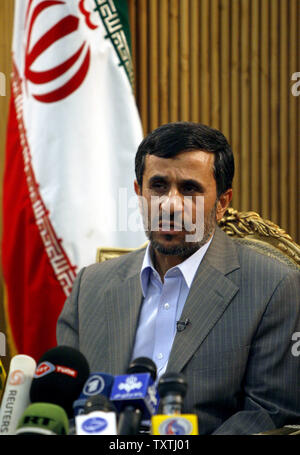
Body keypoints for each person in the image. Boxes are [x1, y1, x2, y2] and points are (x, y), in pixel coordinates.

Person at [57, 122, 300, 434]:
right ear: (138, 193)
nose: (170, 204)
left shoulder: (274, 288)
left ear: (222, 203)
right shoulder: (90, 286)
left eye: (189, 189)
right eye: (158, 186)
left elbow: (270, 413)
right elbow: (65, 401)